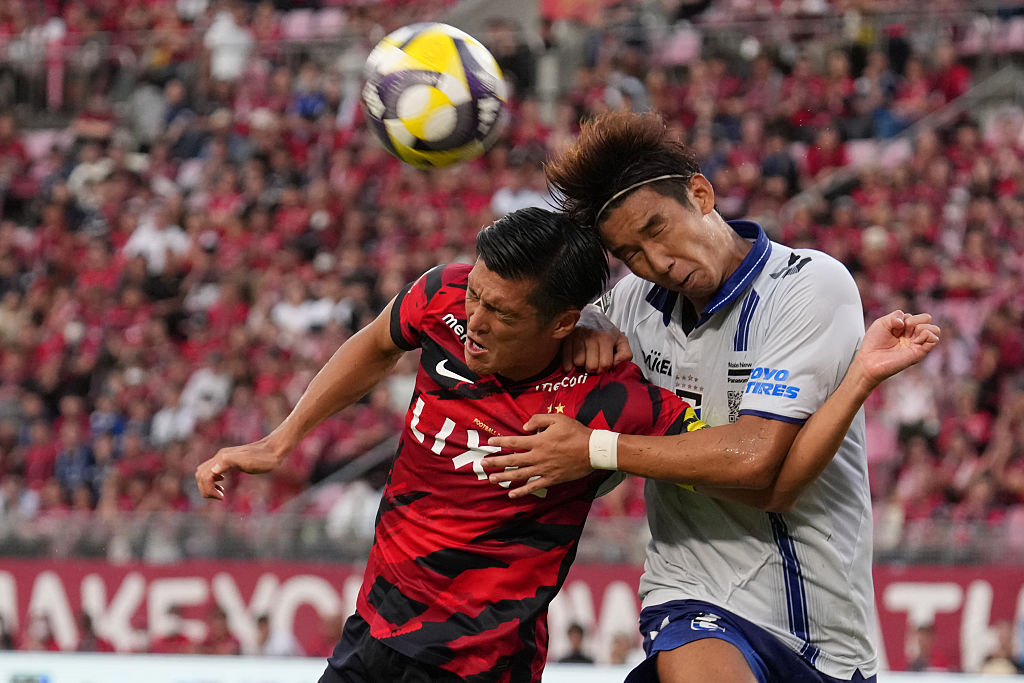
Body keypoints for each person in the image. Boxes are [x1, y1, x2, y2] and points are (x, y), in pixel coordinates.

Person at [196, 207, 937, 682]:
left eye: (501, 312)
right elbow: (377, 338)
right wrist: (280, 438)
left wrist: (857, 381)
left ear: (560, 324)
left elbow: (760, 476)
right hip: (372, 630)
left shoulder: (610, 401)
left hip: (479, 661)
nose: (475, 319)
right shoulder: (444, 300)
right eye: (476, 295)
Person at [484, 111, 930, 683]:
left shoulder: (809, 286)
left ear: (700, 194)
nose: (655, 263)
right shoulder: (627, 309)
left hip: (826, 626)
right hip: (691, 596)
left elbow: (761, 464)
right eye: (631, 253)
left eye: (655, 229)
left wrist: (597, 448)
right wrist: (576, 333)